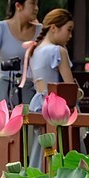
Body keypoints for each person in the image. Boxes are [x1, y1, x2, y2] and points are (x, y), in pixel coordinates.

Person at [25, 9, 77, 167]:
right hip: (58, 106)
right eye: (68, 30)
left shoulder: (33, 52)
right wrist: (80, 92)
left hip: (38, 105)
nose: (70, 35)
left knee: (40, 151)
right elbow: (70, 88)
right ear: (54, 28)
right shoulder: (58, 51)